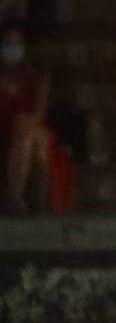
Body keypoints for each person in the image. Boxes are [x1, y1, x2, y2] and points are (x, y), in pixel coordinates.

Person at [0, 24, 50, 213]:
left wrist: (23, 128)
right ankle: (18, 201)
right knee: (29, 142)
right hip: (2, 131)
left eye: (16, 43)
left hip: (29, 134)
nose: (12, 48)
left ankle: (13, 198)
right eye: (8, 43)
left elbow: (39, 115)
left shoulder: (38, 78)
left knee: (26, 132)